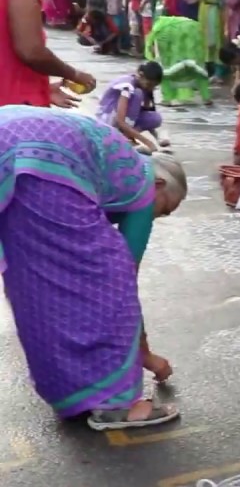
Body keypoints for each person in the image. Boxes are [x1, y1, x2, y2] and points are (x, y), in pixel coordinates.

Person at [0, 107, 188, 431]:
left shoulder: (116, 162)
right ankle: (116, 404)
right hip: (39, 162)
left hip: (16, 148)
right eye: (165, 209)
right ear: (158, 184)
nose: (157, 217)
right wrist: (146, 354)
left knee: (36, 282)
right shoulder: (141, 183)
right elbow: (124, 283)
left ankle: (69, 389)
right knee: (106, 279)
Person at [97, 60, 166, 152]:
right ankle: (122, 138)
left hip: (124, 121)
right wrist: (148, 143)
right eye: (149, 84)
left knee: (155, 118)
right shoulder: (127, 86)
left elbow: (143, 113)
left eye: (153, 86)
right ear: (141, 75)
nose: (150, 88)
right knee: (138, 94)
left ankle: (126, 136)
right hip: (109, 119)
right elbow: (121, 121)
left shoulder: (143, 87)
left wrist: (157, 137)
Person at [146, 15, 211, 106]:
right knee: (199, 69)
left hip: (173, 42)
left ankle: (167, 99)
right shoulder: (164, 25)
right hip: (193, 31)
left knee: (166, 71)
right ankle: (206, 97)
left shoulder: (160, 28)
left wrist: (156, 56)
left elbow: (158, 47)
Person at [199, 0, 227, 81]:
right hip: (206, 12)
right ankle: (210, 69)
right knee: (207, 42)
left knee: (216, 41)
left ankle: (219, 71)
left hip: (214, 13)